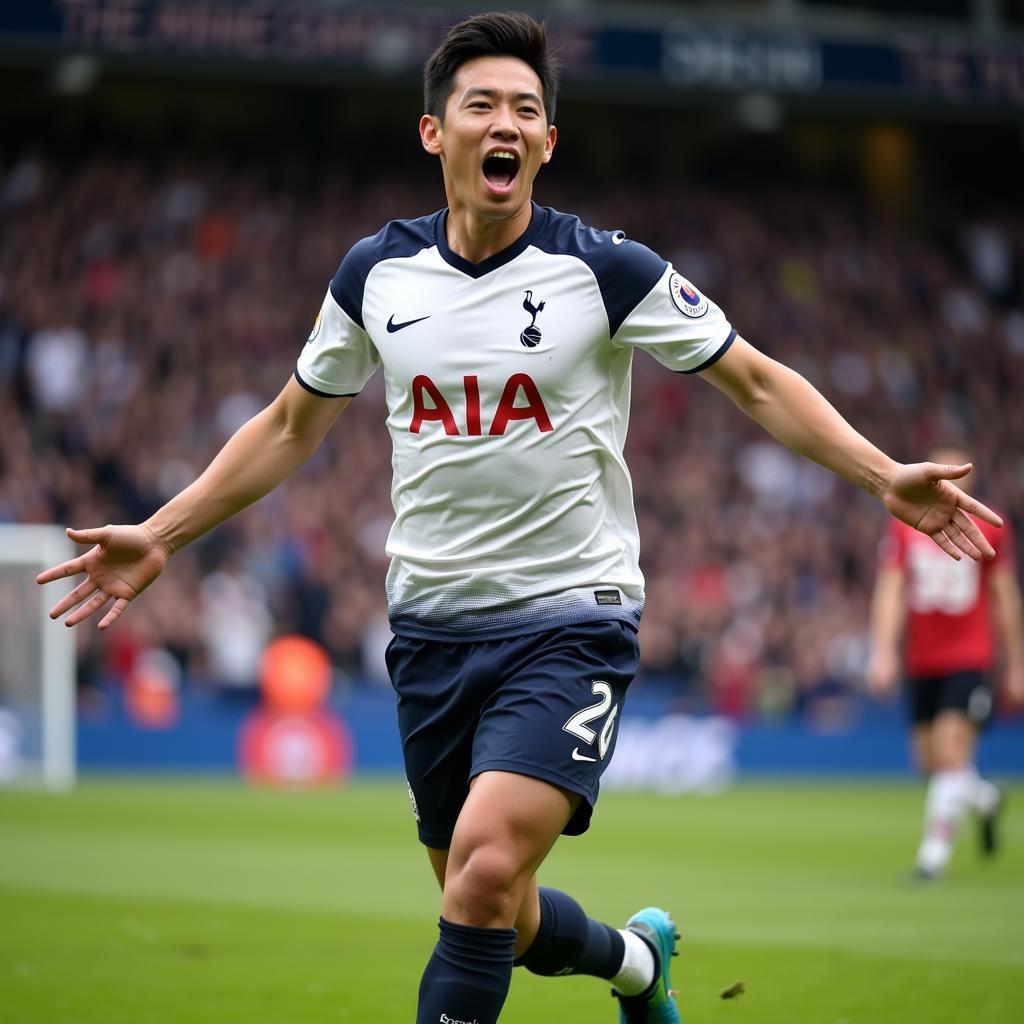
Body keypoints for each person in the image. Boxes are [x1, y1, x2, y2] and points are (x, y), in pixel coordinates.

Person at [37, 13, 1004, 1024]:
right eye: (482, 104)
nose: (506, 122)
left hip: (568, 621)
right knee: (490, 894)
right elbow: (288, 425)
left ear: (546, 144)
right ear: (433, 131)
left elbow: (755, 381)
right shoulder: (376, 274)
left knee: (484, 868)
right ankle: (636, 964)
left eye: (527, 110)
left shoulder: (606, 269)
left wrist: (879, 471)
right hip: (428, 631)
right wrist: (165, 529)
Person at [866, 443, 1024, 881]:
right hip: (922, 659)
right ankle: (985, 796)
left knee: (952, 750)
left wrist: (1015, 664)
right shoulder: (904, 525)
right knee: (930, 762)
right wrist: (881, 651)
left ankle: (931, 859)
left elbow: (1005, 598)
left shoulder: (992, 526)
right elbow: (891, 589)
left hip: (970, 656)